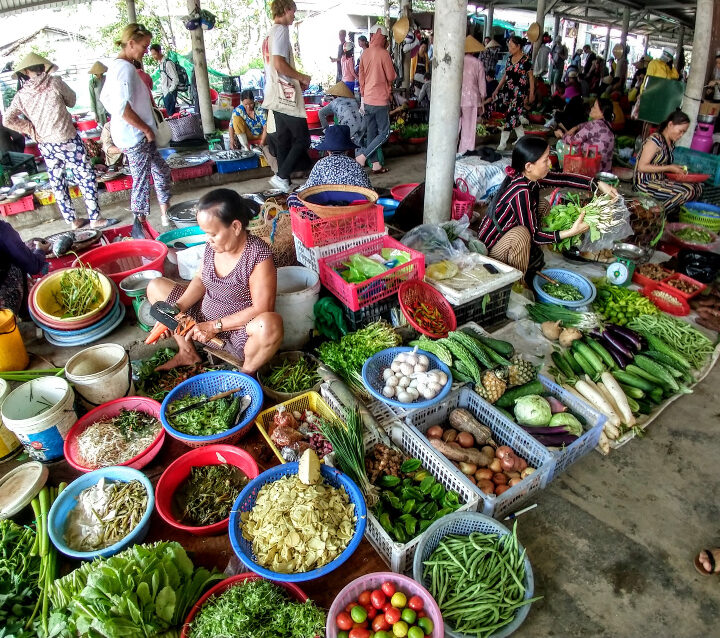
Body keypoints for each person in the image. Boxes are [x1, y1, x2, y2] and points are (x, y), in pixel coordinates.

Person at [146, 188, 283, 374]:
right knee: (156, 286)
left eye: (212, 234)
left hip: (235, 333)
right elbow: (200, 280)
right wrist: (175, 310)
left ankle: (246, 373)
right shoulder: (214, 246)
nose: (207, 240)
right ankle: (187, 352)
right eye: (206, 234)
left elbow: (261, 309)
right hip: (199, 321)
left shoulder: (258, 255)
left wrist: (214, 326)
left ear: (235, 227)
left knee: (269, 324)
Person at [477, 136, 617, 276]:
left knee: (543, 204)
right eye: (545, 160)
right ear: (529, 166)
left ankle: (530, 253)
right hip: (491, 252)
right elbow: (534, 236)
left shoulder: (527, 176)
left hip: (506, 235)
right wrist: (571, 232)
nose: (550, 163)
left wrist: (597, 183)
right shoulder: (521, 191)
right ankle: (518, 280)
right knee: (522, 235)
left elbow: (563, 179)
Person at [5, 53, 112, 230]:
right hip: (67, 139)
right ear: (43, 66)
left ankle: (73, 220)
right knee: (86, 176)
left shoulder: (21, 94)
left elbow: (8, 119)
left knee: (57, 181)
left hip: (46, 145)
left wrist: (32, 130)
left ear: (25, 71)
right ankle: (95, 218)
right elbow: (72, 100)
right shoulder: (54, 82)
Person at [101, 23, 173, 228]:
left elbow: (105, 99)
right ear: (131, 43)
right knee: (141, 181)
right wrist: (145, 128)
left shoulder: (117, 66)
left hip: (131, 133)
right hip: (135, 135)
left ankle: (165, 214)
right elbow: (122, 108)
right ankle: (139, 225)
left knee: (161, 171)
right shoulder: (125, 69)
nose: (146, 50)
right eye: (144, 45)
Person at [261, 0, 312, 193]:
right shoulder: (281, 30)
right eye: (293, 11)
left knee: (282, 140)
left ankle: (285, 183)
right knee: (303, 139)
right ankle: (281, 176)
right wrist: (301, 77)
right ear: (286, 9)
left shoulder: (269, 34)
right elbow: (279, 64)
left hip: (273, 95)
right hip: (285, 96)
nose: (294, 16)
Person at [287, 124, 373, 210]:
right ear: (347, 150)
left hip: (327, 209)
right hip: (355, 208)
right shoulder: (356, 165)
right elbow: (369, 190)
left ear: (327, 150)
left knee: (293, 198)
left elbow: (308, 189)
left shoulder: (321, 163)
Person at [633, 109, 702, 214]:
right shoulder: (655, 140)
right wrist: (669, 167)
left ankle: (666, 212)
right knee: (688, 191)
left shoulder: (670, 144)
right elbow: (642, 167)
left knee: (698, 187)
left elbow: (662, 166)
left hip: (660, 181)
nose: (681, 135)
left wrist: (676, 170)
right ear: (670, 124)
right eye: (680, 131)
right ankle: (655, 213)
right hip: (645, 183)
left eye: (684, 132)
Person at [357, 23, 396, 174]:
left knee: (371, 133)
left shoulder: (364, 54)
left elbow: (361, 79)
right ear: (383, 37)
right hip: (380, 100)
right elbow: (391, 76)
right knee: (385, 133)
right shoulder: (384, 53)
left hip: (367, 100)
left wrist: (362, 98)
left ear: (372, 36)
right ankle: (363, 157)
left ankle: (375, 165)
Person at [489, 35, 534, 151]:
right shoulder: (509, 59)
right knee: (513, 115)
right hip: (508, 91)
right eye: (509, 46)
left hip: (519, 93)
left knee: (510, 116)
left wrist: (531, 94)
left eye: (511, 46)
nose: (509, 48)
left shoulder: (526, 60)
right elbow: (505, 75)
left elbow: (531, 78)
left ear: (518, 46)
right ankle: (521, 137)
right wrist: (497, 88)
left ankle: (502, 143)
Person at [0, 220, 49, 318]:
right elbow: (33, 266)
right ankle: (26, 315)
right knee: (18, 263)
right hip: (3, 310)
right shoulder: (2, 229)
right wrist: (40, 250)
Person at [556, 98, 615, 173]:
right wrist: (576, 127)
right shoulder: (608, 124)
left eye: (594, 107)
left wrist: (561, 134)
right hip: (605, 169)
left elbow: (573, 141)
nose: (591, 108)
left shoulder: (594, 125)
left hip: (592, 167)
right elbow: (585, 125)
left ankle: (566, 172)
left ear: (602, 112)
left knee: (560, 143)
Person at [458, 36, 486, 156]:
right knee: (469, 126)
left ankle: (451, 148)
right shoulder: (478, 63)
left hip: (457, 97)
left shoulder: (458, 61)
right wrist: (483, 99)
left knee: (456, 125)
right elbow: (482, 84)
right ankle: (466, 150)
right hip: (472, 98)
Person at [319, 81, 365, 146]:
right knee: (358, 145)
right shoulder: (354, 101)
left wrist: (326, 129)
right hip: (363, 125)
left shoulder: (335, 102)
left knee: (341, 144)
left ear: (336, 95)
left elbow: (321, 112)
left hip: (347, 127)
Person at [149, 43, 179, 116]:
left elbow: (175, 79)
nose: (154, 57)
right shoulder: (160, 64)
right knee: (170, 115)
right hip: (165, 92)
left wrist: (170, 91)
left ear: (159, 51)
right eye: (152, 55)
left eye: (155, 54)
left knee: (172, 115)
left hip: (170, 93)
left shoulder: (168, 63)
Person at [88, 61, 108, 125]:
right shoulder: (92, 82)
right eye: (99, 73)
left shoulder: (107, 78)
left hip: (109, 107)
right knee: (104, 129)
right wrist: (95, 113)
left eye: (101, 73)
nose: (100, 74)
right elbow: (92, 98)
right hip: (99, 109)